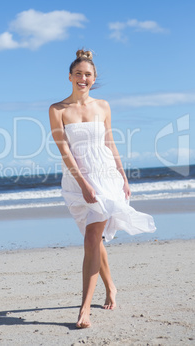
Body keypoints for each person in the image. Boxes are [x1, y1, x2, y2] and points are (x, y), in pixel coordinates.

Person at [49, 49, 156, 329]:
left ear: (94, 78)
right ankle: (111, 288)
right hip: (78, 179)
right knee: (93, 238)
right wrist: (83, 183)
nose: (83, 78)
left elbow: (110, 142)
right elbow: (65, 152)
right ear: (69, 77)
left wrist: (123, 176)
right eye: (78, 74)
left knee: (91, 238)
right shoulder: (57, 110)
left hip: (106, 175)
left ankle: (84, 309)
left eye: (88, 74)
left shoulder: (104, 106)